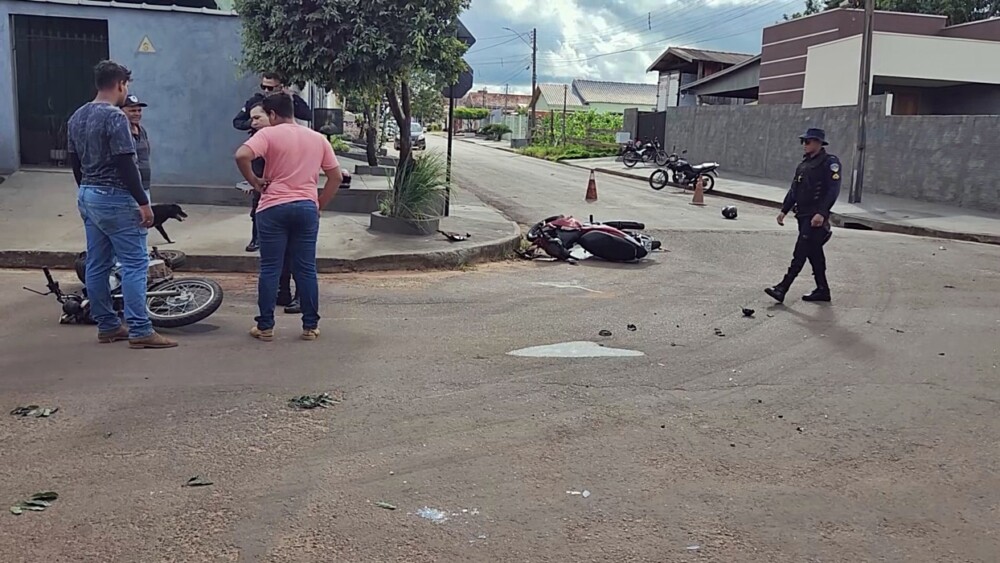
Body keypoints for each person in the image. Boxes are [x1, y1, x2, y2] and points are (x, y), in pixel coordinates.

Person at [68, 60, 177, 349]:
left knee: (98, 262)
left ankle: (108, 325)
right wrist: (143, 203)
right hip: (117, 197)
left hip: (89, 195)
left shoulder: (77, 116)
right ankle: (141, 329)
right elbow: (125, 161)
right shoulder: (115, 118)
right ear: (120, 85)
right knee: (134, 264)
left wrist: (87, 192)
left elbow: (74, 162)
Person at [235, 92, 342, 341]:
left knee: (271, 268)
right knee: (306, 268)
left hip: (273, 207)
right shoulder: (317, 138)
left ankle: (265, 326)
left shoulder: (268, 134)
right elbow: (335, 176)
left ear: (272, 114)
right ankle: (310, 326)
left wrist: (255, 181)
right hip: (305, 206)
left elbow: (242, 155)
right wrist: (318, 204)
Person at [234, 72, 312, 253]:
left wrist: (292, 97)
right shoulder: (255, 101)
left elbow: (307, 115)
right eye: (264, 87)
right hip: (260, 152)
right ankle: (256, 237)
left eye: (271, 87)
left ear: (281, 86)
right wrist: (253, 124)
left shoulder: (287, 102)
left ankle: (285, 236)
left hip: (283, 152)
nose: (267, 91)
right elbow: (237, 122)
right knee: (259, 195)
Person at [765, 128, 841, 304]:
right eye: (803, 142)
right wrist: (784, 210)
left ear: (818, 143)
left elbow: (833, 190)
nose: (804, 145)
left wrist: (822, 213)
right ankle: (823, 290)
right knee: (814, 253)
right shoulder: (804, 165)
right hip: (803, 215)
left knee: (800, 252)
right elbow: (794, 189)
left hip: (815, 217)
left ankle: (782, 288)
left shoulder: (829, 163)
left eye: (807, 142)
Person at [247, 102, 300, 314]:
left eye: (258, 118)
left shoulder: (288, 138)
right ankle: (283, 291)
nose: (253, 123)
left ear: (272, 115)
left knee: (296, 252)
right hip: (266, 201)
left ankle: (300, 296)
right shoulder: (258, 139)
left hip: (291, 200)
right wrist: (253, 182)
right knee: (279, 253)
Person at [122, 94, 151, 192]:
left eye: (139, 110)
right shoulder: (121, 132)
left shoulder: (142, 131)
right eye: (132, 111)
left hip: (144, 186)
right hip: (128, 188)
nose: (137, 114)